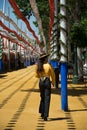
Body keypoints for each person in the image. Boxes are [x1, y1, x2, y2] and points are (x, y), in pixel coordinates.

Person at [35, 53, 56, 121]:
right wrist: (53, 82)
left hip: (41, 82)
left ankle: (42, 112)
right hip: (47, 81)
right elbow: (53, 74)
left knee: (42, 97)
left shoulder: (38, 66)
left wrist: (41, 76)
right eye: (47, 58)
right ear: (45, 59)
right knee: (47, 98)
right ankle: (45, 115)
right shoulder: (48, 65)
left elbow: (36, 75)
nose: (47, 59)